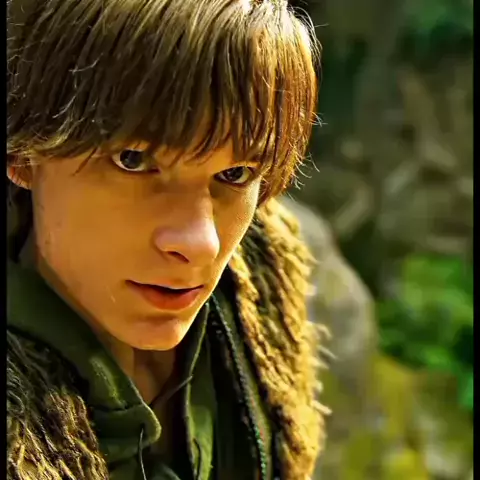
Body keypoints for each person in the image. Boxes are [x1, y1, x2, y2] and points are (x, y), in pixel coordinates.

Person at [7, 0, 327, 479]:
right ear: (23, 153)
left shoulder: (255, 295)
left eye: (236, 173)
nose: (201, 243)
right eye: (134, 160)